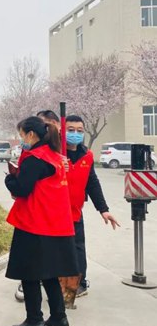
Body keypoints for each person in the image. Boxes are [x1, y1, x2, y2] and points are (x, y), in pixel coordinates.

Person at [5, 116, 78, 326]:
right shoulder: (56, 158)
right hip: (56, 225)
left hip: (34, 224)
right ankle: (58, 318)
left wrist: (9, 179)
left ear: (31, 135)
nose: (21, 140)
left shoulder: (34, 159)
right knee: (50, 273)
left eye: (21, 136)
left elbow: (22, 189)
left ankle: (35, 321)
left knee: (29, 273)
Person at [64, 115, 120, 296]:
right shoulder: (56, 154)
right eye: (70, 130)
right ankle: (48, 282)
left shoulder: (86, 156)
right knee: (53, 249)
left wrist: (103, 210)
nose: (75, 134)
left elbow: (92, 183)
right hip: (54, 212)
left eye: (79, 131)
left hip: (74, 211)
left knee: (78, 248)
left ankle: (78, 284)